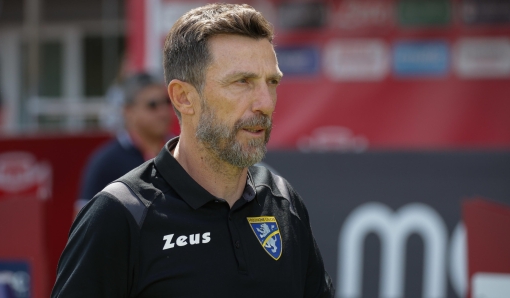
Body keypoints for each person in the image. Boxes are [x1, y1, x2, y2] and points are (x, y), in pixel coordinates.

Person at [52, 3, 334, 297]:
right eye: (242, 82)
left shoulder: (282, 200)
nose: (265, 102)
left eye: (271, 82)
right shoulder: (120, 215)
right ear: (184, 98)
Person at [75, 73, 173, 212]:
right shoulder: (107, 162)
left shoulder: (181, 153)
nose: (163, 112)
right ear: (128, 111)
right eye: (152, 105)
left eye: (167, 102)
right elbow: (83, 224)